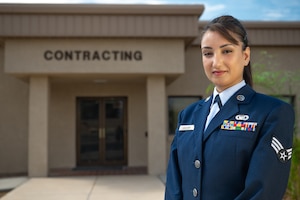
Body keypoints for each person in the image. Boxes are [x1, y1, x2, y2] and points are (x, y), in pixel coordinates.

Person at [164, 15, 295, 200]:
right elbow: (173, 187)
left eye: (226, 51)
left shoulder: (272, 113)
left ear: (245, 55)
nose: (216, 62)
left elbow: (262, 192)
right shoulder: (188, 115)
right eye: (207, 53)